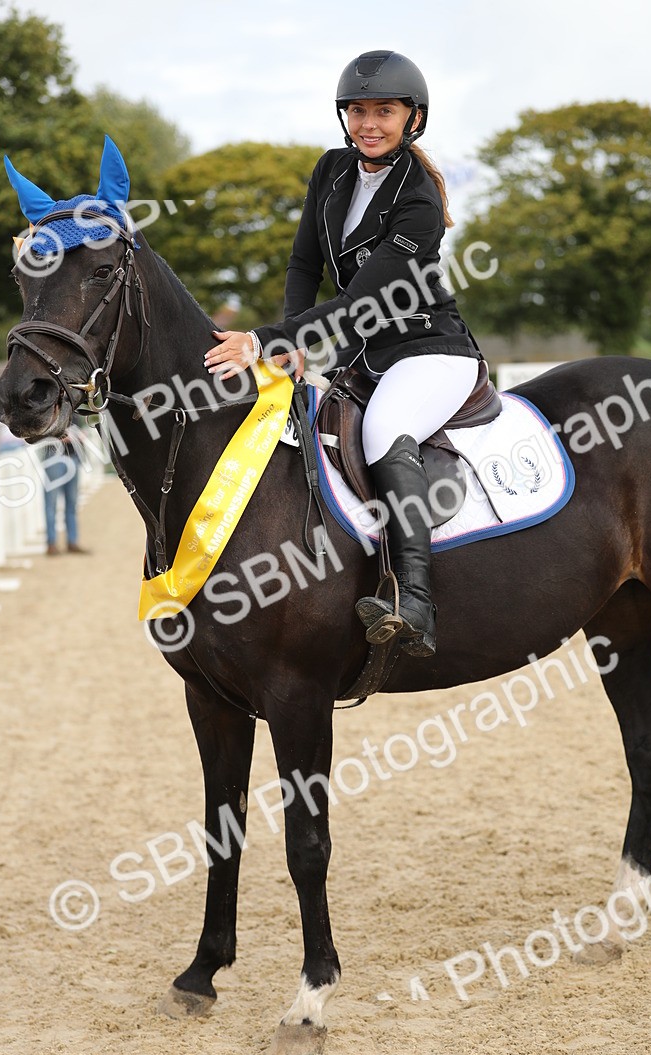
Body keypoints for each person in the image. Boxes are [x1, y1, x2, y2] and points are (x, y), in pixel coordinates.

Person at [203, 50, 484, 658]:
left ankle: (416, 603)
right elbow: (304, 262)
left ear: (414, 119)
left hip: (429, 351)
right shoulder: (331, 170)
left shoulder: (420, 204)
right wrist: (292, 342)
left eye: (385, 111)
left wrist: (263, 341)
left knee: (383, 429)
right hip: (363, 357)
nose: (369, 123)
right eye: (357, 110)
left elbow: (361, 299)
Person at [41, 423, 91, 556]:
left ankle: (72, 542)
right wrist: (63, 438)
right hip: (54, 456)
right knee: (51, 503)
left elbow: (80, 429)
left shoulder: (73, 407)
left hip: (73, 455)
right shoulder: (47, 405)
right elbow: (41, 433)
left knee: (72, 502)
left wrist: (79, 435)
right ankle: (51, 543)